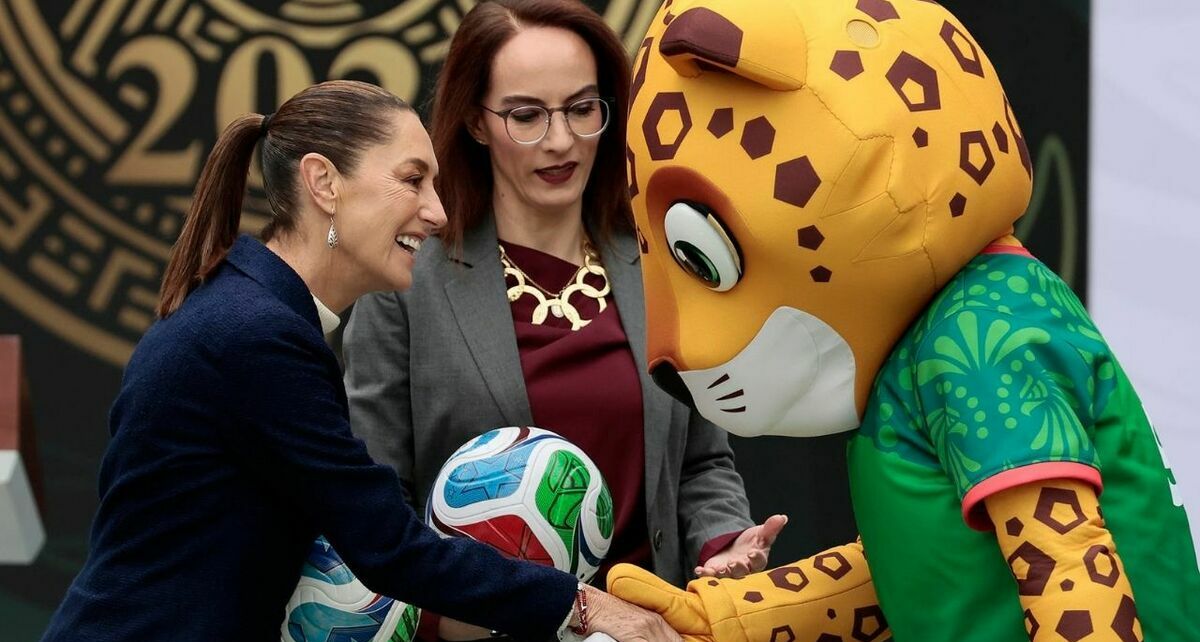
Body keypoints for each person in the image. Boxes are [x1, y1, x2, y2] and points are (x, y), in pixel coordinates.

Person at [40, 80, 678, 642]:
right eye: (411, 179)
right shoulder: (255, 336)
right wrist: (585, 606)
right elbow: (388, 547)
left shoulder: (246, 312)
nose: (437, 211)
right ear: (323, 183)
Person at [343, 2, 785, 639]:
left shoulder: (658, 256)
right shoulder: (406, 282)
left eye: (582, 109)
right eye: (525, 115)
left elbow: (699, 463)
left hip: (656, 627)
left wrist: (722, 549)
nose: (559, 140)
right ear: (475, 120)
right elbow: (377, 507)